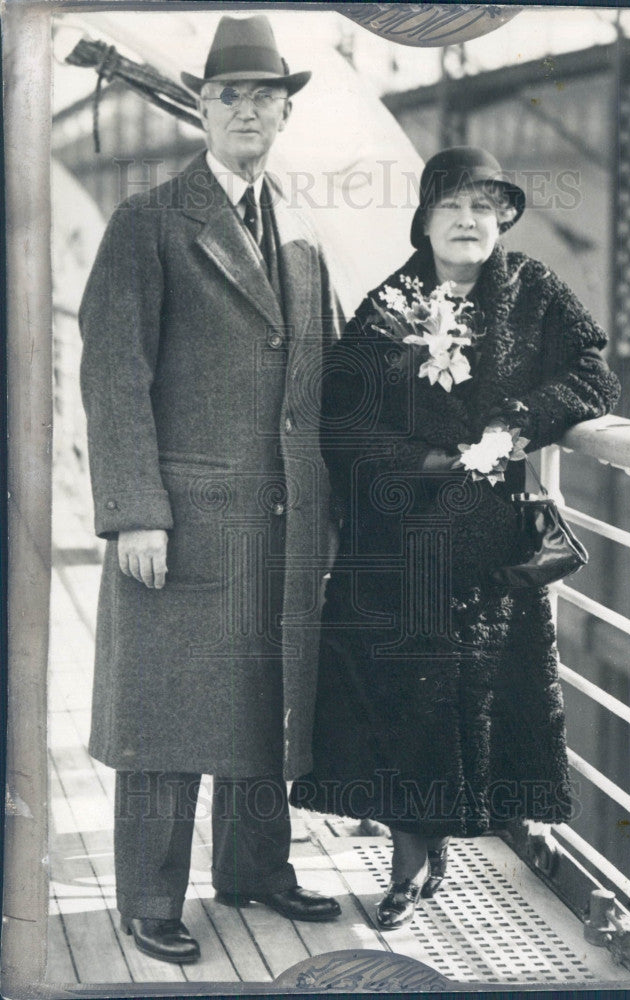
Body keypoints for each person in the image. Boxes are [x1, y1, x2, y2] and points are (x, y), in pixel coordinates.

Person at [290, 147, 620, 930]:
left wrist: (518, 422)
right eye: (452, 206)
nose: (468, 220)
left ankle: (437, 844)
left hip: (486, 552)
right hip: (400, 544)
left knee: (473, 702)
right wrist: (429, 459)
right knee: (403, 698)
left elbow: (592, 375)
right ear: (426, 219)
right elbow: (341, 417)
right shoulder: (390, 302)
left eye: (483, 206)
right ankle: (410, 864)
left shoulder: (534, 291)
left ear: (502, 217)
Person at [79, 15, 341, 965]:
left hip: (279, 519)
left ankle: (253, 871)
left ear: (282, 113)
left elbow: (334, 371)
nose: (247, 111)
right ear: (200, 106)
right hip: (184, 521)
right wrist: (135, 513)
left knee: (263, 699)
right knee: (165, 714)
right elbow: (113, 377)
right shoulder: (148, 220)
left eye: (264, 97)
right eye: (230, 95)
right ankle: (150, 897)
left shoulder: (302, 231)